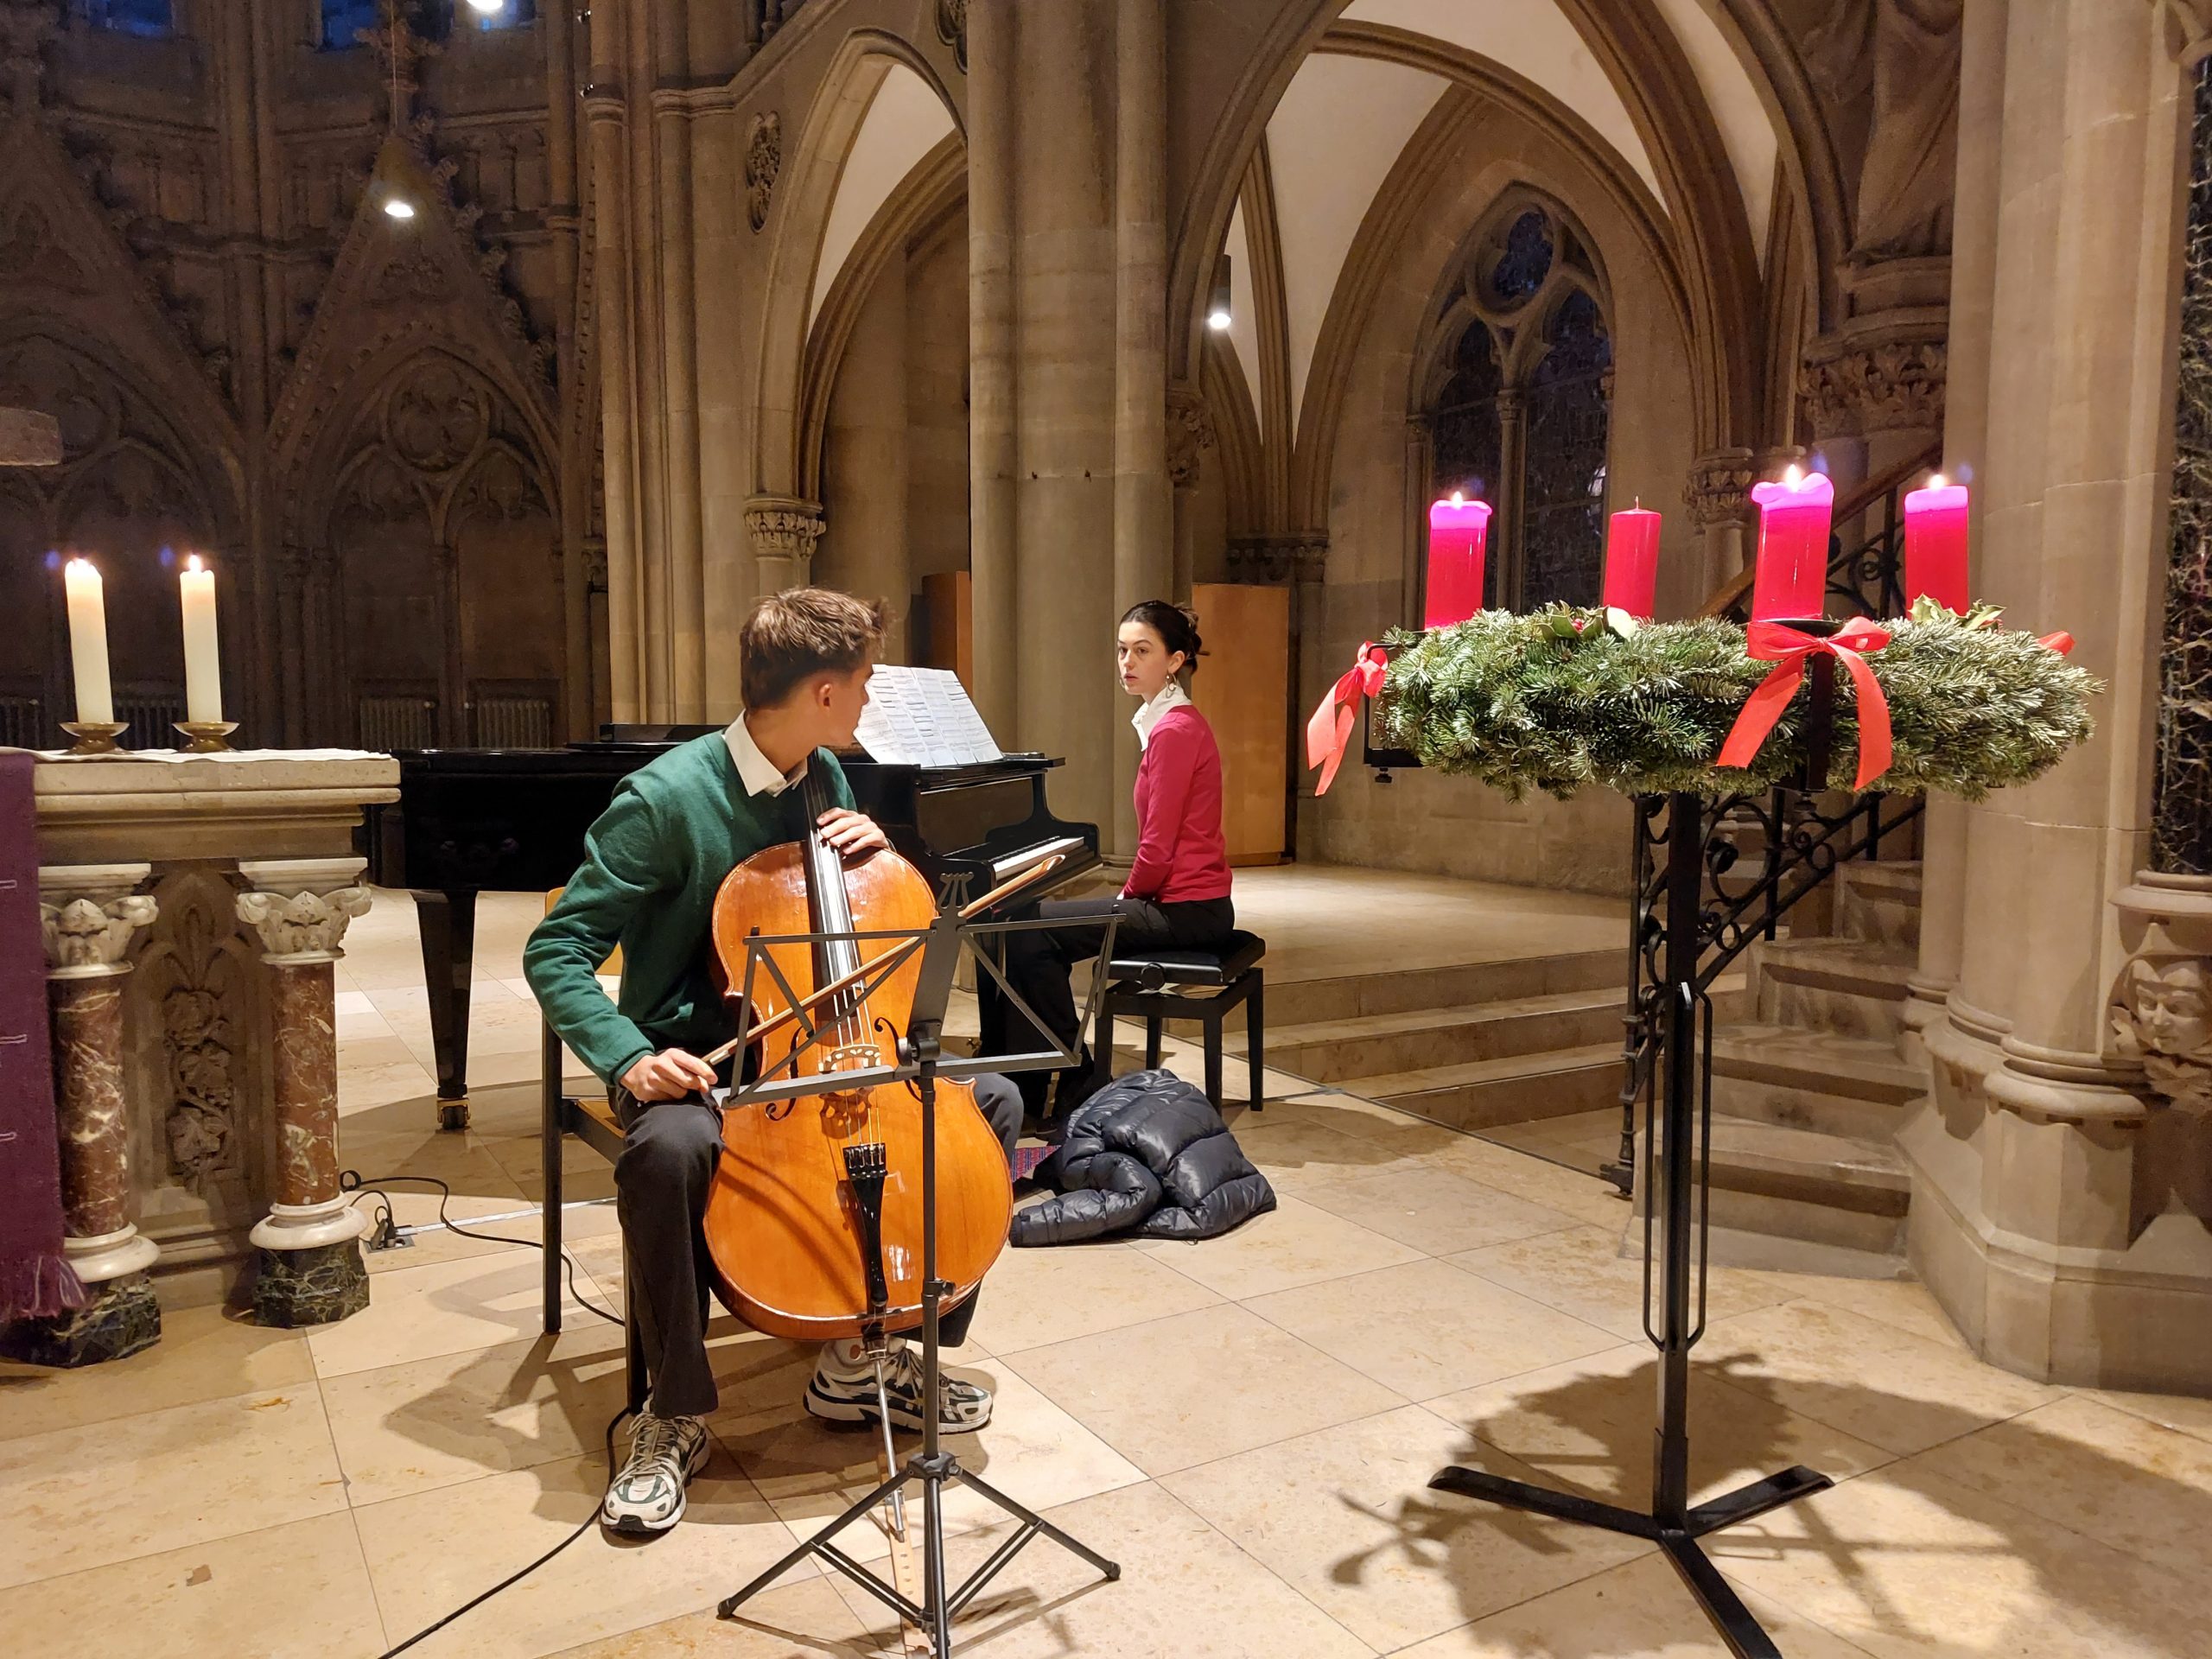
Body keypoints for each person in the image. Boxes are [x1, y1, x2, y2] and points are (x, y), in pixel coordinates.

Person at [523, 588, 1022, 1538]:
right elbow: (556, 951)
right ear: (825, 691)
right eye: (866, 682)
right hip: (698, 1062)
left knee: (985, 1107)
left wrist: (875, 852)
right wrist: (631, 1058)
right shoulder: (663, 802)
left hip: (822, 1051)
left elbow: (833, 922)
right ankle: (671, 1412)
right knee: (665, 1157)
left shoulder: (824, 774)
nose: (873, 698)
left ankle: (867, 1356)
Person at [980, 600, 1236, 1116]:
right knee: (1014, 927)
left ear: (1175, 660)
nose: (1127, 663)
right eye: (1122, 651)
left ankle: (1074, 1081)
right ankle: (1032, 1079)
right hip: (1185, 902)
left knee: (1025, 932)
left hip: (1186, 910)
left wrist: (1122, 900)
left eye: (1143, 651)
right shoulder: (1169, 725)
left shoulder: (1174, 732)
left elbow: (1157, 849)